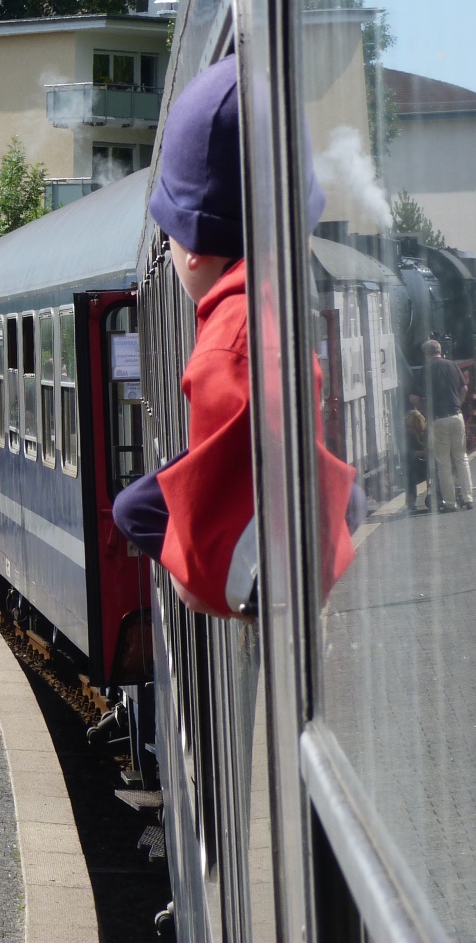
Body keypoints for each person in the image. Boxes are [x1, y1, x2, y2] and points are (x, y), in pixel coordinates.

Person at [111, 55, 358, 616]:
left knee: (132, 508)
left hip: (268, 575)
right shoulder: (274, 307)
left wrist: (192, 561)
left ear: (192, 248)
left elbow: (213, 583)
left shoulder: (233, 340)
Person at [422, 338, 474, 511]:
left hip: (438, 418)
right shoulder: (452, 365)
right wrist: (458, 404)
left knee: (443, 462)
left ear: (426, 354)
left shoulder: (426, 370)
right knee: (461, 458)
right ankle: (468, 498)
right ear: (440, 350)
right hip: (456, 416)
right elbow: (464, 389)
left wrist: (426, 413)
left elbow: (414, 397)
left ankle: (451, 503)